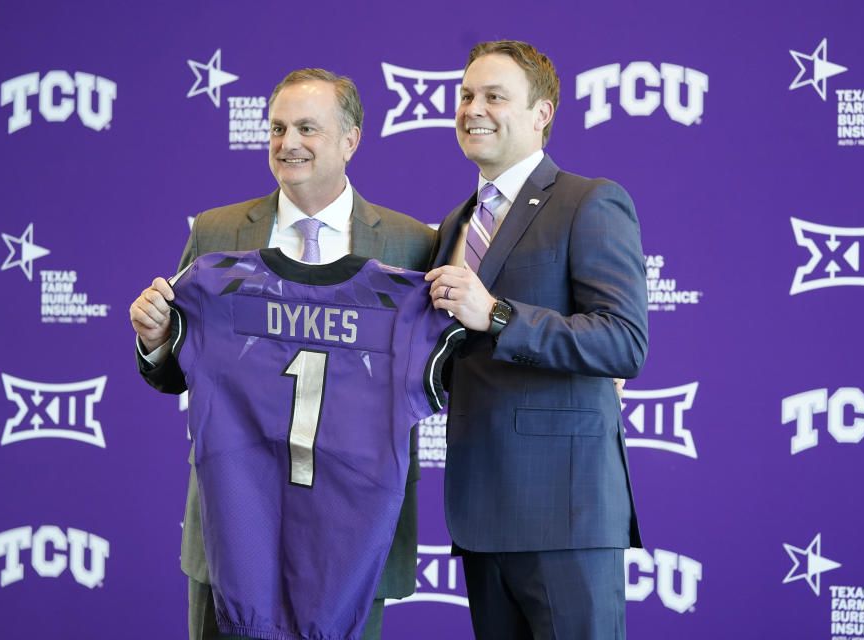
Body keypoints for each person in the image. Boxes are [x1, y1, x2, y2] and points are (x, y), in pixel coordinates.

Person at [129, 68, 434, 640]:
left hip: (354, 533)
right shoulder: (217, 232)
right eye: (277, 127)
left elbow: (444, 365)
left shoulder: (412, 243)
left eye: (307, 128)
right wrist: (155, 341)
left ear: (351, 139)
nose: (287, 142)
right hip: (234, 526)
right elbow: (181, 366)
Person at [424, 41, 648, 639]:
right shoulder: (455, 223)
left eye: (496, 96)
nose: (474, 108)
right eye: (467, 94)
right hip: (478, 515)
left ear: (542, 113)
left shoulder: (588, 201)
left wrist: (496, 315)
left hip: (565, 517)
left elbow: (624, 341)